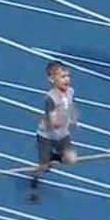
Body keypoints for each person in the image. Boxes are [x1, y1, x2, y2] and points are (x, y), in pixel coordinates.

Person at [29, 60, 78, 203]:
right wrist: (63, 119)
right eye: (62, 77)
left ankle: (53, 157)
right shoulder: (50, 98)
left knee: (71, 159)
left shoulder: (70, 92)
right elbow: (53, 122)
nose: (67, 79)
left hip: (62, 135)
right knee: (42, 167)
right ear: (52, 79)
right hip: (47, 136)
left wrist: (74, 117)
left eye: (68, 76)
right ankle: (33, 187)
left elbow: (71, 105)